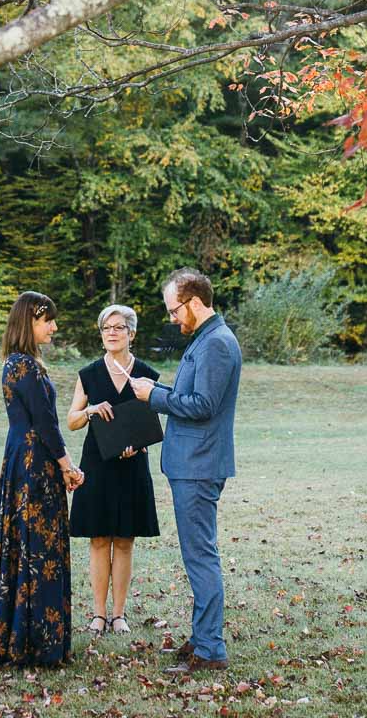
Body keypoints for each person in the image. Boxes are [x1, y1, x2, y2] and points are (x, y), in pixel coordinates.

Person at [128, 268, 242, 674]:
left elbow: (202, 405)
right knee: (197, 554)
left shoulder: (217, 344)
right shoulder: (206, 339)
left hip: (199, 465)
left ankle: (210, 650)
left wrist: (153, 396)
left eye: (174, 310)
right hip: (192, 462)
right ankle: (202, 637)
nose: (173, 318)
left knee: (200, 556)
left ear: (194, 302)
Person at [0, 292, 85, 670]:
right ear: (28, 322)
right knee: (38, 549)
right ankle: (36, 644)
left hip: (24, 460)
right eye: (47, 320)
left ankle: (24, 637)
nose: (53, 327)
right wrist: (68, 466)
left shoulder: (15, 364)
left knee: (26, 547)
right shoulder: (26, 367)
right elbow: (46, 424)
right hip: (36, 465)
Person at [65, 303, 162, 633]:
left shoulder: (147, 374)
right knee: (98, 539)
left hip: (133, 466)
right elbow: (72, 421)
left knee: (124, 541)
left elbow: (152, 423)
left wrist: (140, 442)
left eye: (119, 327)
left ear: (131, 333)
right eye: (107, 328)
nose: (112, 333)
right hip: (97, 463)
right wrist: (91, 409)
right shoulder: (89, 374)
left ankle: (118, 615)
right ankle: (98, 614)